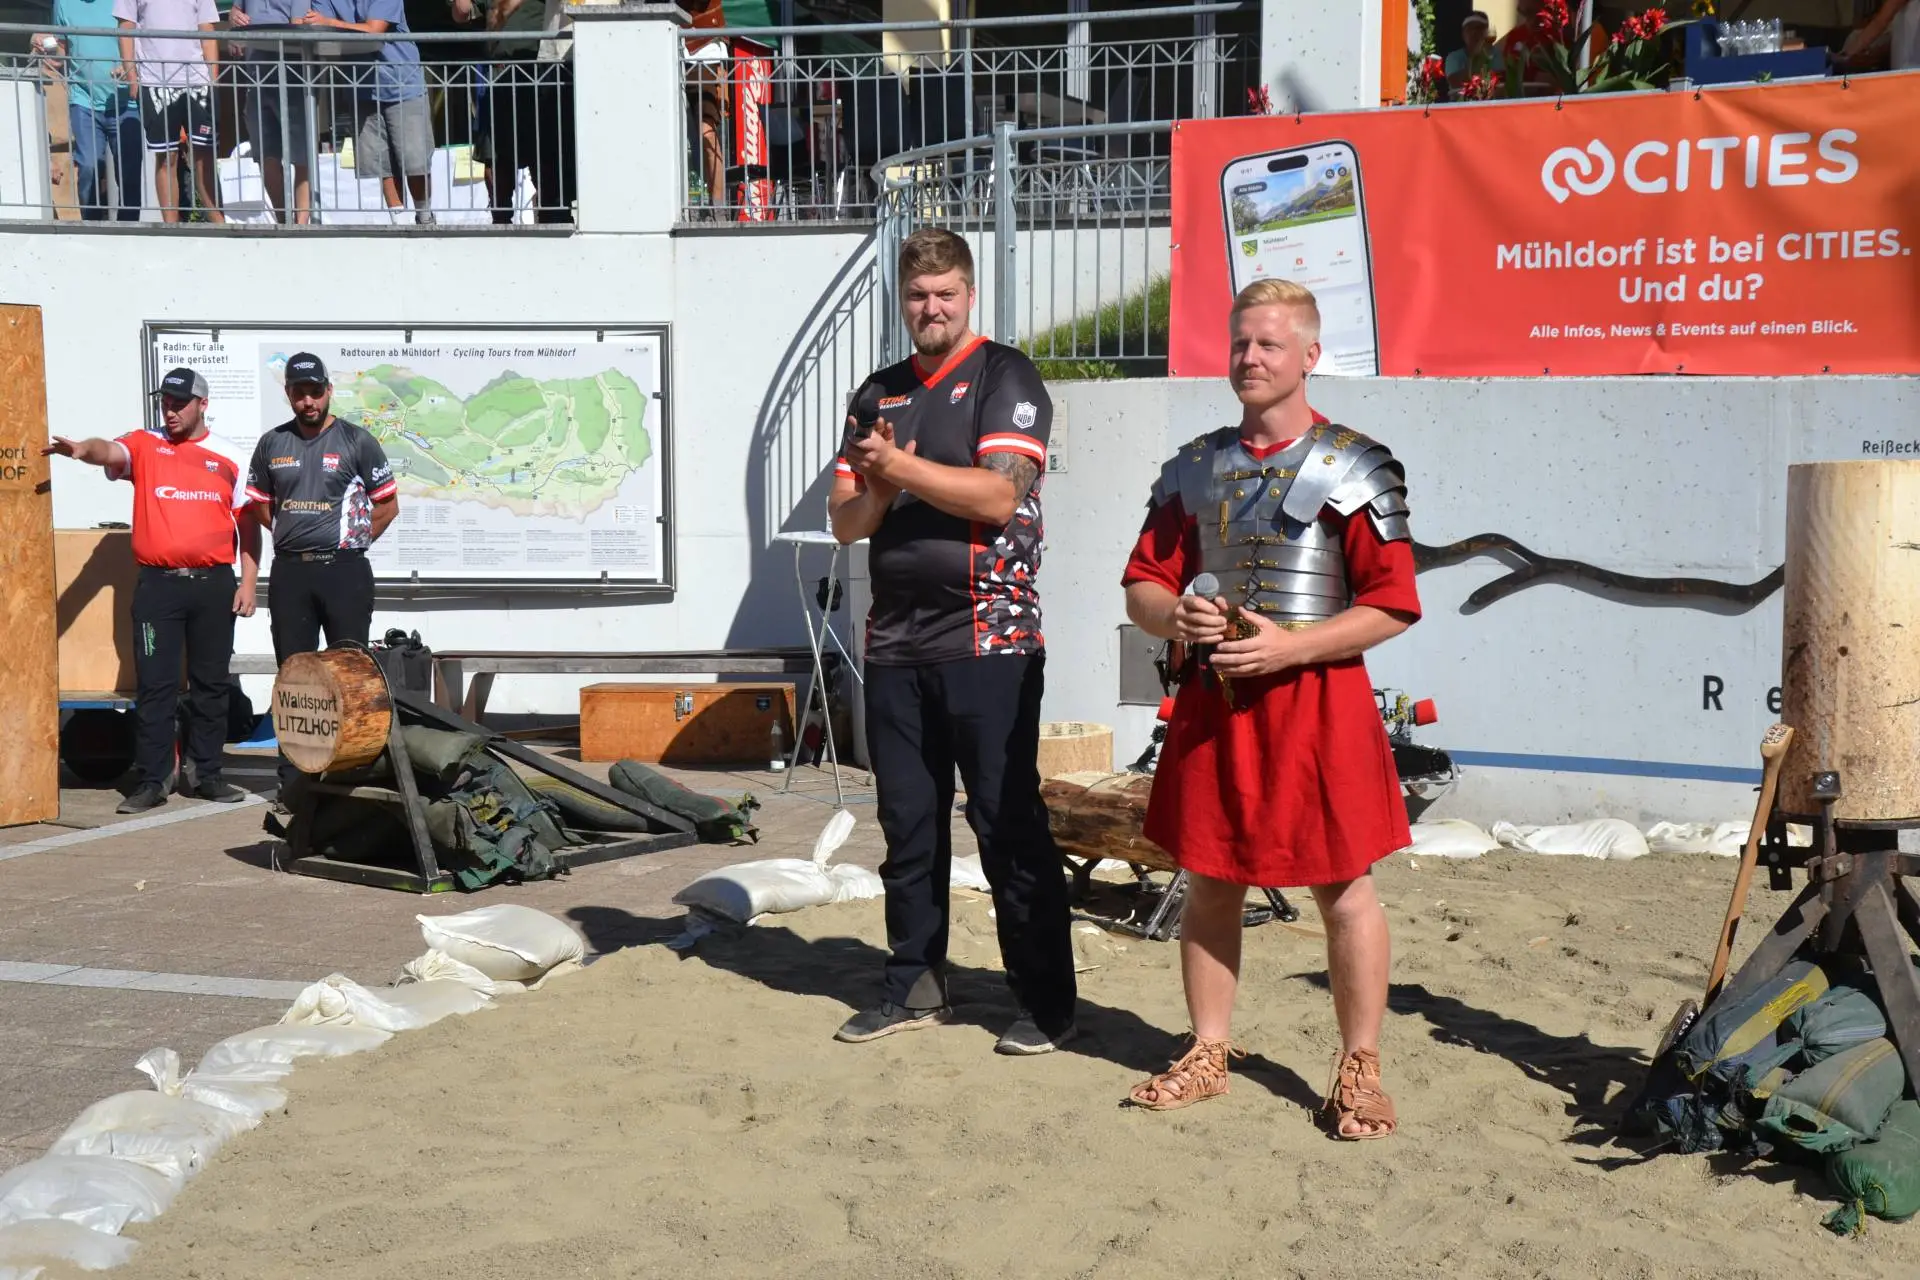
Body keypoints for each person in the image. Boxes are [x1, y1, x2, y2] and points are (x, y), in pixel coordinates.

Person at [1118, 278, 1420, 1138]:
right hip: (1216, 708)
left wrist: (1292, 646)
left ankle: (1359, 1069)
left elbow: (1391, 601)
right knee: (1210, 881)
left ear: (1309, 357)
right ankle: (1209, 1050)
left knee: (1345, 891)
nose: (1251, 359)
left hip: (1320, 708)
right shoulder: (1193, 466)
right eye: (1242, 343)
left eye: (1271, 345)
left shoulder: (1352, 465)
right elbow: (1143, 583)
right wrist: (1171, 615)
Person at [827, 227, 1078, 1056]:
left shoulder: (1006, 374)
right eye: (917, 296)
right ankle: (914, 985)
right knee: (908, 826)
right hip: (895, 643)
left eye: (946, 294)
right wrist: (875, 481)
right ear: (901, 301)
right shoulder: (878, 392)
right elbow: (846, 523)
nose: (931, 308)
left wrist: (895, 473)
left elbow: (998, 498)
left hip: (990, 639)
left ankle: (1042, 1004)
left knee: (1007, 826)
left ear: (969, 295)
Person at [42, 368, 259, 813]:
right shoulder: (145, 444)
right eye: (165, 402)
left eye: (180, 402)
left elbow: (248, 525)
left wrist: (250, 583)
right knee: (156, 687)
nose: (171, 410)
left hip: (213, 585)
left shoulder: (230, 457)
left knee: (211, 684)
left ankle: (207, 774)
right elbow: (110, 451)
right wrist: (84, 450)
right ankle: (153, 780)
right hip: (159, 587)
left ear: (203, 404)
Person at [244, 352, 399, 799]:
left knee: (350, 674)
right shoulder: (272, 444)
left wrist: (354, 539)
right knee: (293, 675)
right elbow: (258, 503)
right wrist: (291, 533)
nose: (308, 401)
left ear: (329, 391)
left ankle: (351, 776)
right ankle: (295, 780)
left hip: (344, 571)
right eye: (299, 393)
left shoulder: (357, 441)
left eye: (315, 392)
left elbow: (387, 504)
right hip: (292, 573)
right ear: (288, 394)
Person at [302, 0, 435, 223]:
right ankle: (398, 221)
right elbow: (318, 26)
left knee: (415, 160)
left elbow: (374, 30)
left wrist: (328, 22)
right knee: (380, 162)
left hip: (402, 84)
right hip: (362, 87)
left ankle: (425, 216)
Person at [113, 0, 226, 222]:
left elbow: (207, 29)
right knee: (166, 157)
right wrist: (132, 76)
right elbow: (126, 27)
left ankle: (219, 225)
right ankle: (171, 229)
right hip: (155, 80)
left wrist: (213, 77)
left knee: (204, 155)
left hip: (197, 80)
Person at [36, 0, 143, 221]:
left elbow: (141, 42)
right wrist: (38, 43)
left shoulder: (121, 2)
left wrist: (130, 67)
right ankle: (91, 228)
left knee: (129, 173)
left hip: (126, 102)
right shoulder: (63, 4)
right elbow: (62, 53)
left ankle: (130, 232)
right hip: (83, 100)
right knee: (88, 167)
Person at [227, 0, 316, 224]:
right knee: (265, 155)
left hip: (294, 77)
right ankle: (284, 220)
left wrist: (255, 36)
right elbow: (236, 12)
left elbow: (297, 27)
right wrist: (234, 24)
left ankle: (301, 224)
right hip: (255, 77)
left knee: (301, 155)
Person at [1445, 10, 1495, 89]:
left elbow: (1499, 84)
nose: (1474, 32)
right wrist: (1473, 54)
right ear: (1463, 33)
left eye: (1479, 28)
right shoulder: (1454, 57)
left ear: (1486, 32)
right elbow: (1456, 84)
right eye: (1469, 28)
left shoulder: (1495, 54)